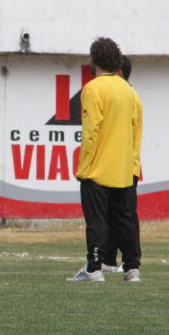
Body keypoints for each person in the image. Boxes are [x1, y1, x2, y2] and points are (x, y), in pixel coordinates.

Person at [67, 37, 142, 282]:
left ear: (95, 60)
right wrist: (132, 166)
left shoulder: (93, 88)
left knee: (96, 220)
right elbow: (136, 133)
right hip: (124, 170)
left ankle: (94, 268)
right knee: (126, 219)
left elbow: (91, 133)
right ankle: (132, 269)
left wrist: (84, 167)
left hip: (98, 169)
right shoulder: (130, 92)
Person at [102, 55, 143, 273]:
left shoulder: (129, 96)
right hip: (116, 163)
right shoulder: (124, 95)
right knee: (111, 214)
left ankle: (132, 263)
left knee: (125, 215)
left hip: (125, 164)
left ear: (118, 73)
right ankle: (108, 259)